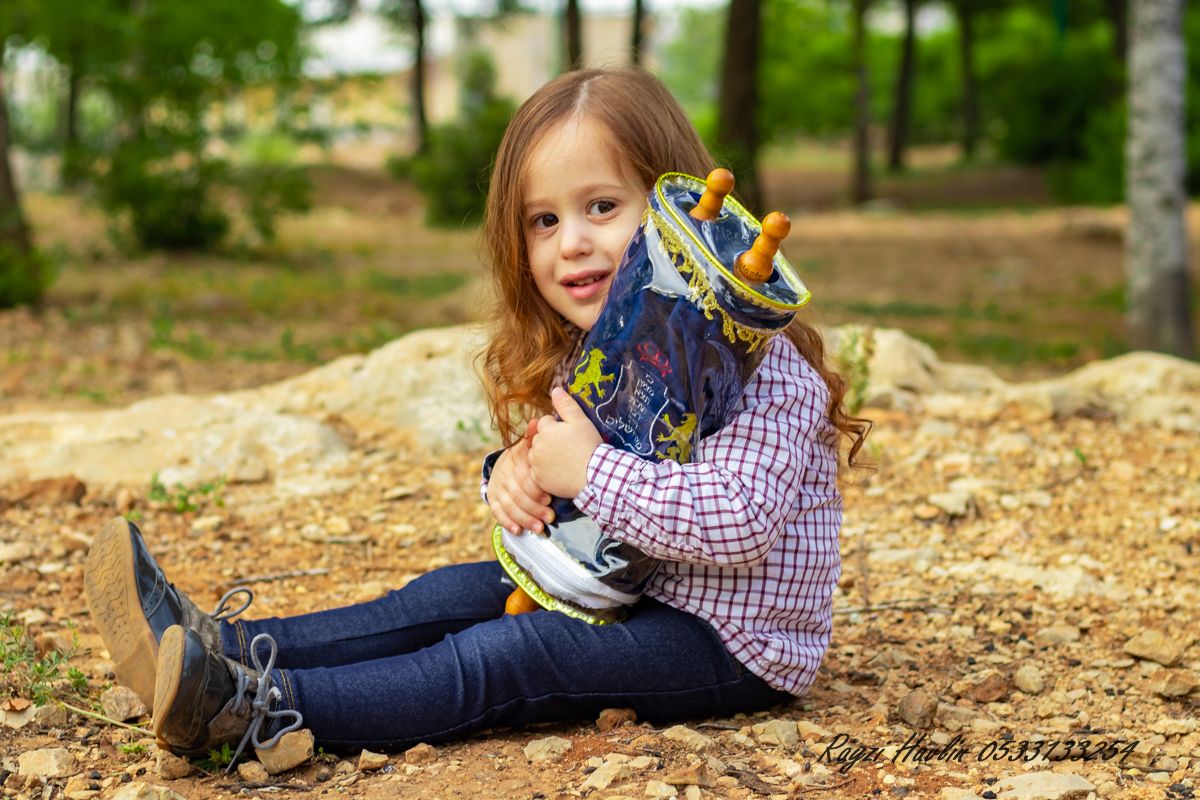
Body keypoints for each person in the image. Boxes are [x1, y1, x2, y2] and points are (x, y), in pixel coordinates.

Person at [84, 67, 869, 765]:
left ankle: (249, 708)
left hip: (725, 641)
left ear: (684, 214)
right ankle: (216, 645)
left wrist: (587, 470)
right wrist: (515, 476)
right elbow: (558, 468)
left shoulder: (766, 371)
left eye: (601, 206)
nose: (572, 243)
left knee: (510, 654)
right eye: (544, 221)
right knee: (436, 598)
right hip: (610, 586)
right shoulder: (601, 344)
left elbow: (740, 521)